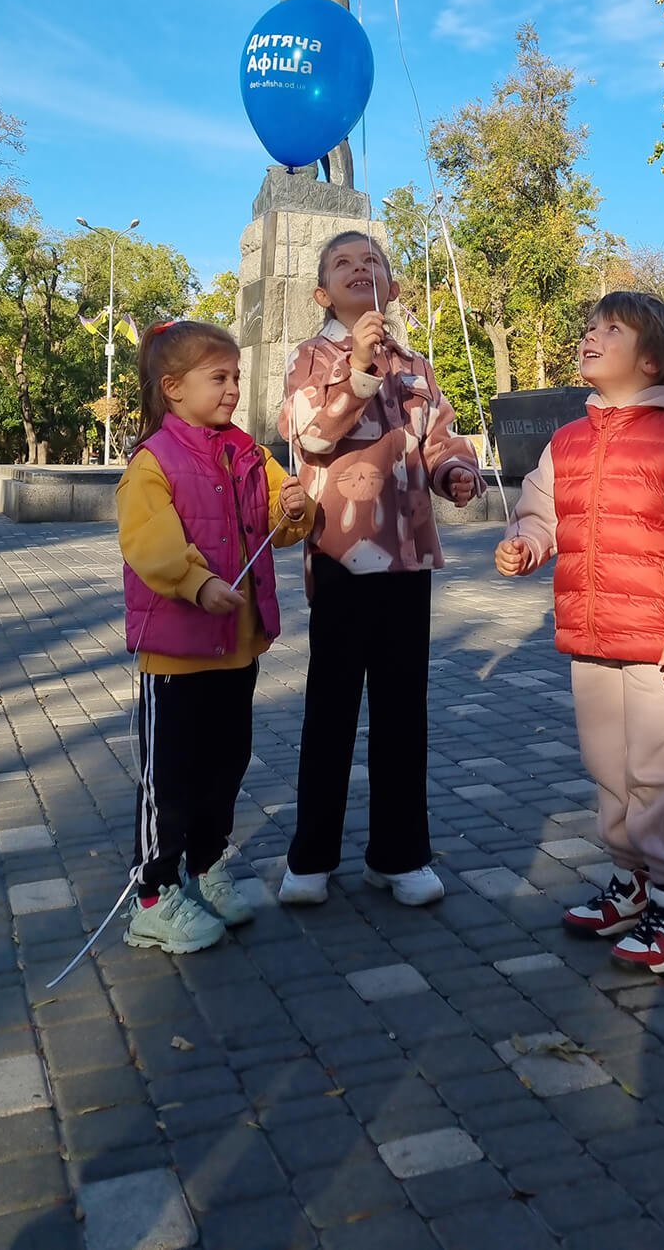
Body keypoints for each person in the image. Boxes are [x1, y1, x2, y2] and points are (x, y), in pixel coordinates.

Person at [495, 292, 664, 975]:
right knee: (609, 769)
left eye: (612, 329)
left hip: (661, 642)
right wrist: (526, 542)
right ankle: (631, 883)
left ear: (652, 360)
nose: (592, 337)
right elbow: (540, 511)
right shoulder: (567, 441)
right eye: (590, 327)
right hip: (589, 637)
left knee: (656, 775)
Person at [277, 232, 484, 908]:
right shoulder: (311, 358)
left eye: (372, 261)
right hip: (340, 554)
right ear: (323, 293)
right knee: (331, 707)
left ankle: (399, 855)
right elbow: (310, 435)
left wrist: (455, 472)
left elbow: (439, 437)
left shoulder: (416, 366)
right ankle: (311, 857)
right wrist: (360, 369)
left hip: (407, 557)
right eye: (343, 263)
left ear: (392, 289)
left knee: (402, 708)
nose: (359, 268)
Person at [117, 319, 313, 955]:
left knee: (225, 766)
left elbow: (282, 512)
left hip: (237, 649)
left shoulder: (249, 452)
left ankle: (205, 865)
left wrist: (296, 508)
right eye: (218, 377)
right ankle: (152, 895)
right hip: (176, 655)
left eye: (236, 377)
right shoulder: (154, 460)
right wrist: (197, 583)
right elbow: (149, 541)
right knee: (170, 779)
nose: (232, 389)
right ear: (173, 387)